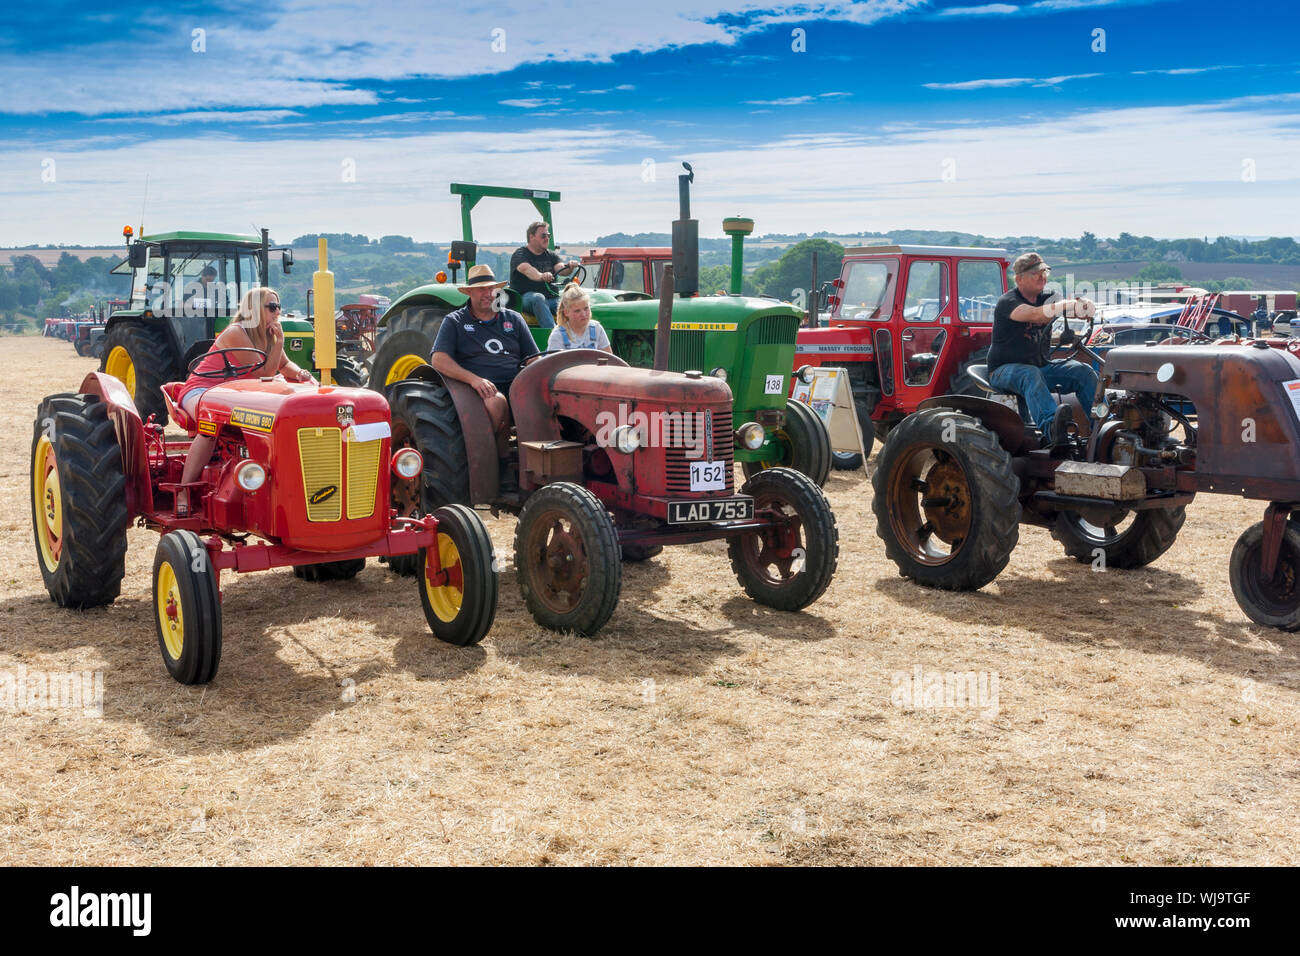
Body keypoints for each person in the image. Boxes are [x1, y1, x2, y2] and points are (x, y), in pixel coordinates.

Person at [174, 287, 314, 515]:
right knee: (210, 428)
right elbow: (265, 373)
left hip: (233, 394)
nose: (277, 312)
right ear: (255, 309)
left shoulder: (267, 334)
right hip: (204, 390)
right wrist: (280, 342)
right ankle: (184, 489)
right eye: (272, 307)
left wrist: (301, 375)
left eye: (278, 306)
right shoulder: (237, 333)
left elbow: (284, 365)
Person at [987, 252, 1098, 446]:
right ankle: (1053, 430)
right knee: (1029, 374)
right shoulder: (1008, 302)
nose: (1042, 276)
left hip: (1040, 367)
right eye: (1035, 273)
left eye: (1044, 271)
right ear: (1019, 279)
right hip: (1004, 370)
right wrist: (1067, 305)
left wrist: (1085, 306)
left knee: (1083, 371)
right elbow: (1037, 316)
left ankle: (1103, 427)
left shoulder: (1049, 298)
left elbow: (1074, 311)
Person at [432, 264, 540, 437]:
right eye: (481, 289)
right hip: (475, 390)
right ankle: (499, 460)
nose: (488, 294)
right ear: (469, 292)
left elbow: (533, 358)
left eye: (491, 288)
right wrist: (474, 380)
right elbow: (438, 359)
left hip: (516, 384)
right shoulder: (455, 321)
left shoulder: (514, 319)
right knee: (495, 402)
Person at [509, 221, 579, 329]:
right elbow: (527, 269)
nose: (547, 238)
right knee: (538, 298)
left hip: (551, 300)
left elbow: (560, 269)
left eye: (548, 235)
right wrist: (541, 275)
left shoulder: (550, 254)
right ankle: (553, 335)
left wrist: (569, 266)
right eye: (543, 236)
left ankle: (578, 334)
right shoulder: (520, 254)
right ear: (531, 237)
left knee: (572, 302)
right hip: (526, 299)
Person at [546, 284, 612, 353]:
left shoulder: (597, 328)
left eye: (586, 308)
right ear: (566, 312)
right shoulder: (558, 335)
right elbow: (553, 363)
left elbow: (609, 360)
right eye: (577, 311)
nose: (583, 314)